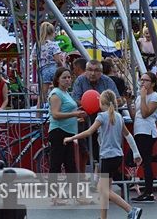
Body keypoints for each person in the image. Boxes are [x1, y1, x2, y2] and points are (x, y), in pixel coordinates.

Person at [64, 91, 143, 219]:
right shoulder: (118, 116)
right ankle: (103, 217)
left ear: (101, 103)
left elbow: (89, 132)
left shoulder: (101, 116)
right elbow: (128, 136)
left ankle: (131, 209)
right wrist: (136, 153)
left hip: (107, 156)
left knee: (103, 190)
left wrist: (71, 137)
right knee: (107, 189)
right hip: (117, 156)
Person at [72, 59, 120, 177]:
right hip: (86, 119)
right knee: (86, 147)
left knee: (103, 149)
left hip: (104, 120)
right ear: (86, 71)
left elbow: (118, 100)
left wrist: (102, 106)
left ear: (102, 72)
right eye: (90, 70)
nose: (93, 73)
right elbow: (75, 100)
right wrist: (88, 105)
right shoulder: (80, 80)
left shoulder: (107, 81)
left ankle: (109, 177)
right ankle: (89, 174)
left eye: (96, 70)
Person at [47, 67, 86, 205]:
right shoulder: (56, 94)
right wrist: (74, 114)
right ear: (58, 79)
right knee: (56, 164)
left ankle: (76, 195)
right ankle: (55, 195)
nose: (68, 80)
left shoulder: (66, 93)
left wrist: (75, 119)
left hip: (68, 132)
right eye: (64, 77)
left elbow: (64, 114)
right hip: (59, 132)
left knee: (70, 165)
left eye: (69, 77)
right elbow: (56, 114)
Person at [130, 72, 157, 203]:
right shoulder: (139, 97)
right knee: (141, 159)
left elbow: (145, 114)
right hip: (138, 130)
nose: (142, 82)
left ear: (153, 83)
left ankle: (148, 191)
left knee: (145, 161)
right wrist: (129, 101)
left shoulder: (155, 96)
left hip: (147, 131)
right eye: (141, 80)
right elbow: (136, 115)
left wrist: (143, 97)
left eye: (146, 80)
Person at [39, 22, 65, 97]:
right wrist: (62, 64)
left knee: (43, 92)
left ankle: (39, 107)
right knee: (57, 90)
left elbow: (34, 58)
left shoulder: (38, 44)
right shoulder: (54, 44)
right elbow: (57, 59)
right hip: (53, 68)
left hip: (43, 69)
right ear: (52, 33)